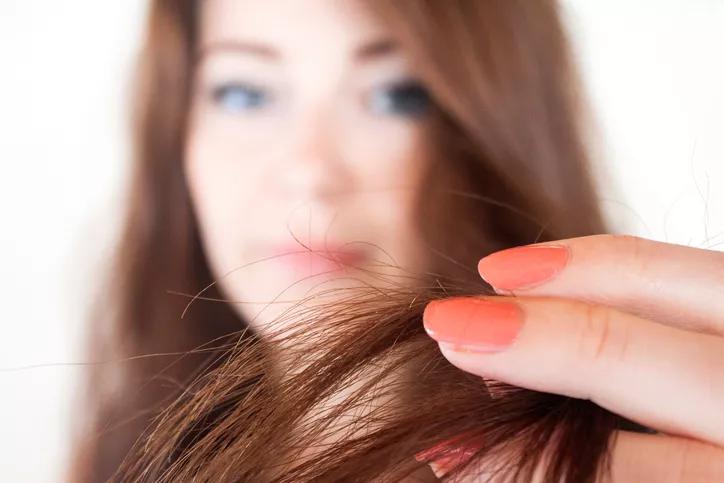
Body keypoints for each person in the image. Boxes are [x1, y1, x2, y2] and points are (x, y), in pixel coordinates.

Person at [69, 1, 724, 481]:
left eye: (395, 96)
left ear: (495, 128)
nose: (311, 171)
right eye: (244, 93)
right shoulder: (115, 457)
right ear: (175, 133)